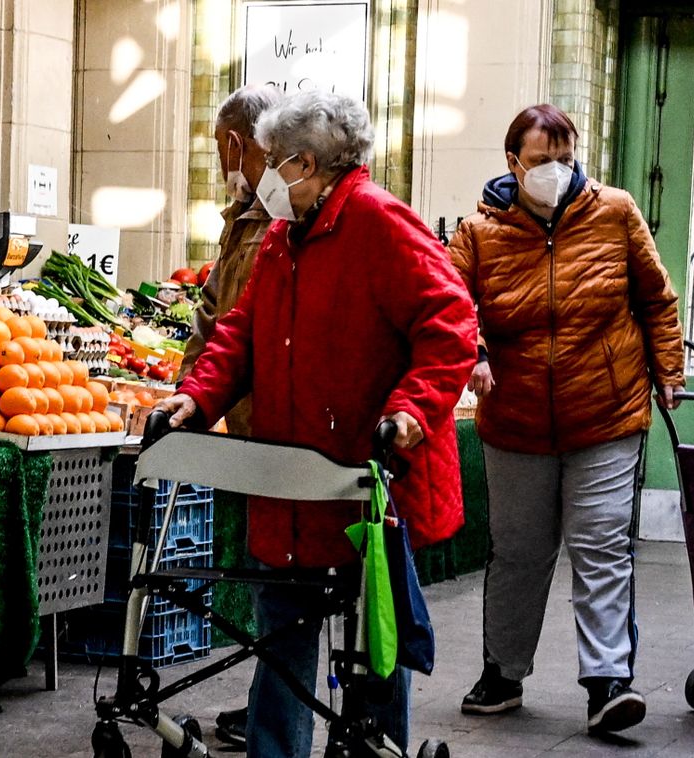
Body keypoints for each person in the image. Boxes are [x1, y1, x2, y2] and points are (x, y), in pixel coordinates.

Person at [160, 90, 477, 757]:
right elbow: (240, 332)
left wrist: (409, 412)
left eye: (273, 159)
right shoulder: (283, 235)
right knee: (281, 632)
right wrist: (196, 398)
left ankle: (374, 748)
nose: (264, 173)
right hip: (289, 474)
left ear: (306, 164)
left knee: (372, 639)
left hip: (364, 476)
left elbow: (450, 329)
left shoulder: (379, 222)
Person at [448, 104, 684, 734]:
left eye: (564, 158)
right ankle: (503, 673)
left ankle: (608, 683)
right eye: (539, 161)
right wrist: (472, 352)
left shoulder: (615, 211)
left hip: (606, 413)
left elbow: (657, 300)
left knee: (602, 546)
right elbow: (448, 303)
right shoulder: (479, 232)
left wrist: (670, 374)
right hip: (517, 420)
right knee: (520, 553)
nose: (554, 171)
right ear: (511, 164)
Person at [178, 83, 282, 748]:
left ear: (239, 144)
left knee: (284, 581)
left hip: (288, 429)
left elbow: (235, 326)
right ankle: (270, 702)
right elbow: (218, 317)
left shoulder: (290, 218)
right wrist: (190, 392)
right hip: (247, 422)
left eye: (223, 149)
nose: (225, 163)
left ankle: (278, 709)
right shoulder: (241, 220)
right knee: (268, 575)